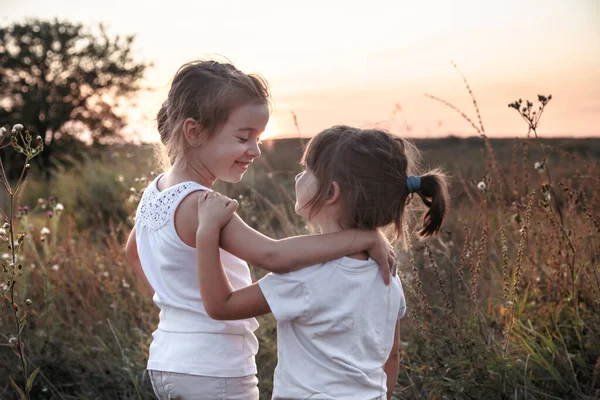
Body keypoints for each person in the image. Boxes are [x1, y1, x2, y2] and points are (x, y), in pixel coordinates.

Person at [124, 61, 396, 399]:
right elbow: (274, 256)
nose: (255, 150)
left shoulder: (156, 191)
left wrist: (177, 299)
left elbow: (133, 253)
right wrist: (363, 237)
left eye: (259, 138)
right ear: (194, 132)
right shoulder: (203, 205)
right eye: (244, 137)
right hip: (215, 366)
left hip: (167, 359)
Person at [196, 125, 450, 399]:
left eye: (307, 170)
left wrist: (207, 231)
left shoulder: (307, 276)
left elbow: (221, 305)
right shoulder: (388, 273)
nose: (298, 175)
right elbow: (391, 354)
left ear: (330, 193)